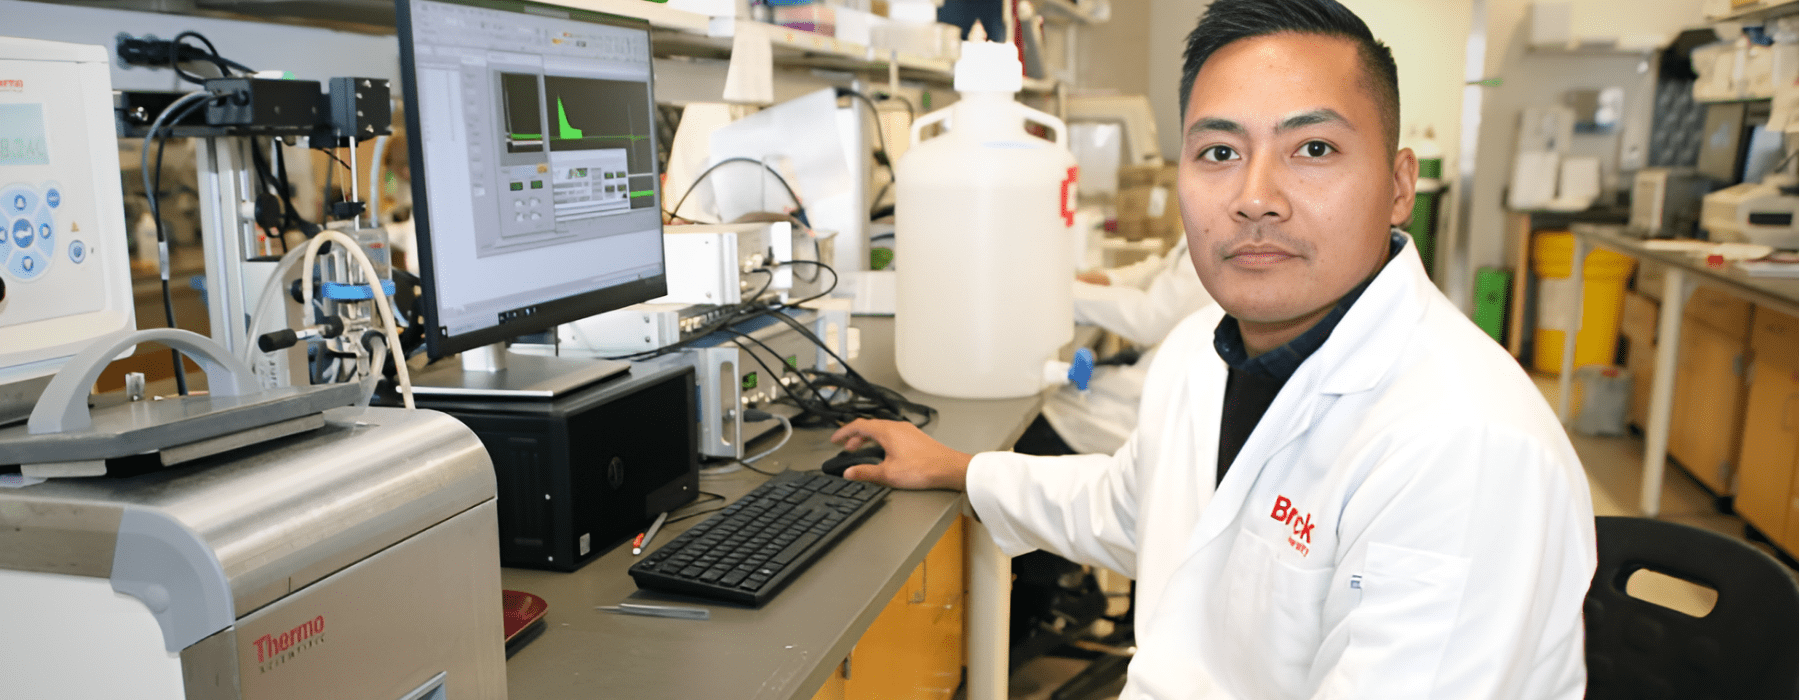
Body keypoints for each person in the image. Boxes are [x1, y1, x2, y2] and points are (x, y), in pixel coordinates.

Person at [830, 0, 1598, 697]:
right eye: (1221, 153)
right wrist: (958, 469)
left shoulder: (1463, 448)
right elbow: (1133, 507)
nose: (1256, 196)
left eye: (1315, 149)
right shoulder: (1204, 347)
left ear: (1400, 185)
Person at [1019, 239, 1214, 457]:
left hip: (1149, 411)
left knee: (1034, 422)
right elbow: (1167, 265)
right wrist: (1110, 279)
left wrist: (1062, 296)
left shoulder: (1216, 239)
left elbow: (1149, 319)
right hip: (1153, 382)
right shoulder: (1209, 232)